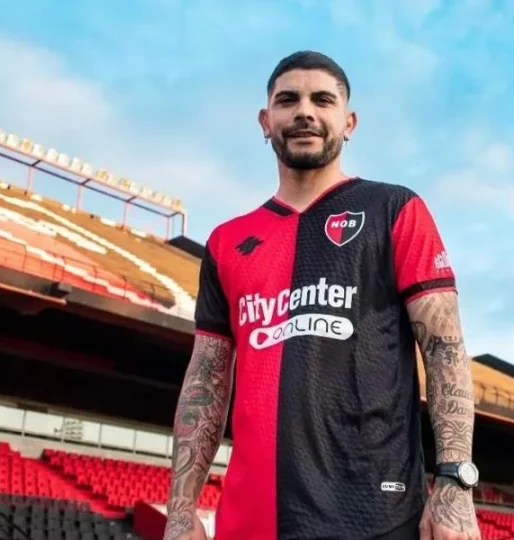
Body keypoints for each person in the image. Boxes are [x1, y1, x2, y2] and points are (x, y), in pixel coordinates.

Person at [163, 51, 481, 540]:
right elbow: (205, 378)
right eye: (288, 100)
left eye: (323, 100)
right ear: (265, 121)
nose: (305, 112)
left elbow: (445, 352)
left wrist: (455, 482)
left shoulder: (395, 209)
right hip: (251, 520)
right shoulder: (227, 242)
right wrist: (181, 508)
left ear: (348, 122)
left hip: (375, 514)